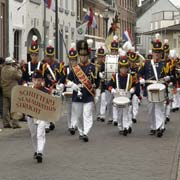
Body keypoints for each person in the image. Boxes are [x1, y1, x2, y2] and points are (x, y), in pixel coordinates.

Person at [139, 34, 170, 137]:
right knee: (151, 110)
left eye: (159, 52)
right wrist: (141, 79)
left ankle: (160, 127)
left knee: (159, 109)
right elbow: (139, 74)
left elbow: (171, 76)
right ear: (152, 53)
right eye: (155, 52)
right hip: (149, 90)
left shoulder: (165, 64)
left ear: (161, 54)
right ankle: (153, 126)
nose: (157, 54)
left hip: (160, 90)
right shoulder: (146, 63)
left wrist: (168, 78)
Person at [67, 40, 98, 142]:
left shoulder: (93, 68)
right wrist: (72, 85)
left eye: (85, 55)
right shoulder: (75, 68)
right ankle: (81, 132)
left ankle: (86, 132)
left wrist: (96, 90)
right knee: (79, 116)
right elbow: (67, 79)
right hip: (77, 95)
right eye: (81, 55)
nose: (83, 57)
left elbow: (97, 82)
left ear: (88, 56)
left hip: (88, 95)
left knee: (87, 114)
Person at [107, 54, 138, 136]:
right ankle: (121, 127)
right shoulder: (115, 76)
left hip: (127, 98)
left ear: (127, 68)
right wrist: (112, 90)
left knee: (127, 113)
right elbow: (109, 85)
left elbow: (136, 86)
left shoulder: (131, 77)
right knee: (120, 114)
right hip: (118, 98)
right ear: (119, 68)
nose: (123, 70)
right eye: (122, 68)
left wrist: (133, 89)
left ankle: (126, 127)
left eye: (125, 68)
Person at [26, 70, 48, 163]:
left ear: (42, 80)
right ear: (32, 80)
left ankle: (40, 152)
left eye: (39, 80)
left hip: (42, 115)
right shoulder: (27, 90)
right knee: (33, 134)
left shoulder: (46, 91)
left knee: (40, 134)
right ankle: (36, 150)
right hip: (31, 115)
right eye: (35, 80)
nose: (37, 82)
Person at [1, 57, 22, 128]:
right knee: (14, 108)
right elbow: (19, 76)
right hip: (13, 91)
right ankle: (15, 123)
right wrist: (19, 69)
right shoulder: (13, 70)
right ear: (11, 63)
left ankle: (6, 123)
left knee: (5, 108)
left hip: (4, 91)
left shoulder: (2, 70)